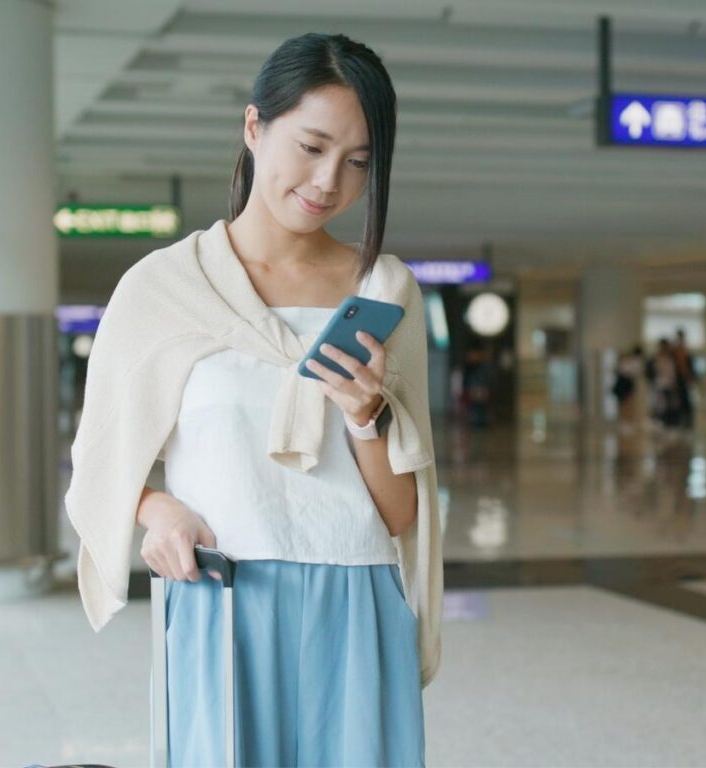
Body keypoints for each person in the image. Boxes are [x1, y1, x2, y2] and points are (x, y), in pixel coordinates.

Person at [64, 32, 438, 767]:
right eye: (311, 145)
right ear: (253, 128)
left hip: (358, 603)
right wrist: (155, 507)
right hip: (220, 597)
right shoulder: (165, 288)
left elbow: (401, 515)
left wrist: (365, 417)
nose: (329, 180)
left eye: (359, 161)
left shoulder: (385, 291)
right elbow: (98, 463)